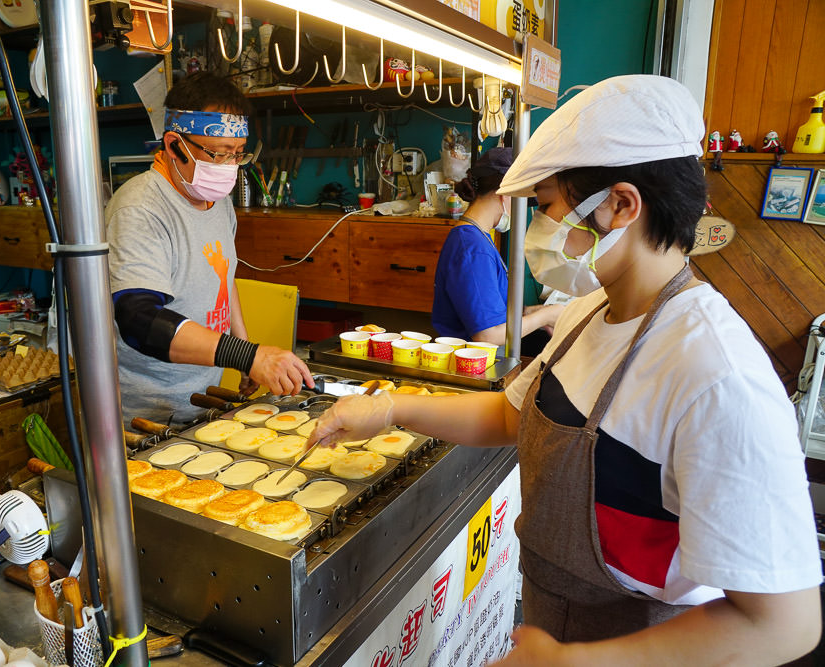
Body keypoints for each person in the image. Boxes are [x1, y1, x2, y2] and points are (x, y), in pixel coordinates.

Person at [309, 75, 822, 665]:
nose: (540, 230)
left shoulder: (716, 376)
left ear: (622, 205)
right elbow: (509, 414)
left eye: (550, 207)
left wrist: (583, 662)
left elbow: (782, 624)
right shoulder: (588, 312)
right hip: (553, 619)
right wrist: (392, 407)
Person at [105, 72, 313, 427]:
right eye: (217, 154)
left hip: (202, 395)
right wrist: (249, 356)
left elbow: (222, 277)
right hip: (144, 411)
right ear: (173, 145)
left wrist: (243, 349)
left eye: (237, 155)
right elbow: (139, 320)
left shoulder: (216, 200)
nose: (228, 167)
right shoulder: (139, 209)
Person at [431, 147, 563, 355]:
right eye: (519, 199)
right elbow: (487, 335)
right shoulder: (471, 247)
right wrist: (545, 317)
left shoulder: (479, 238)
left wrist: (535, 311)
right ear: (505, 194)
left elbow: (494, 311)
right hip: (473, 365)